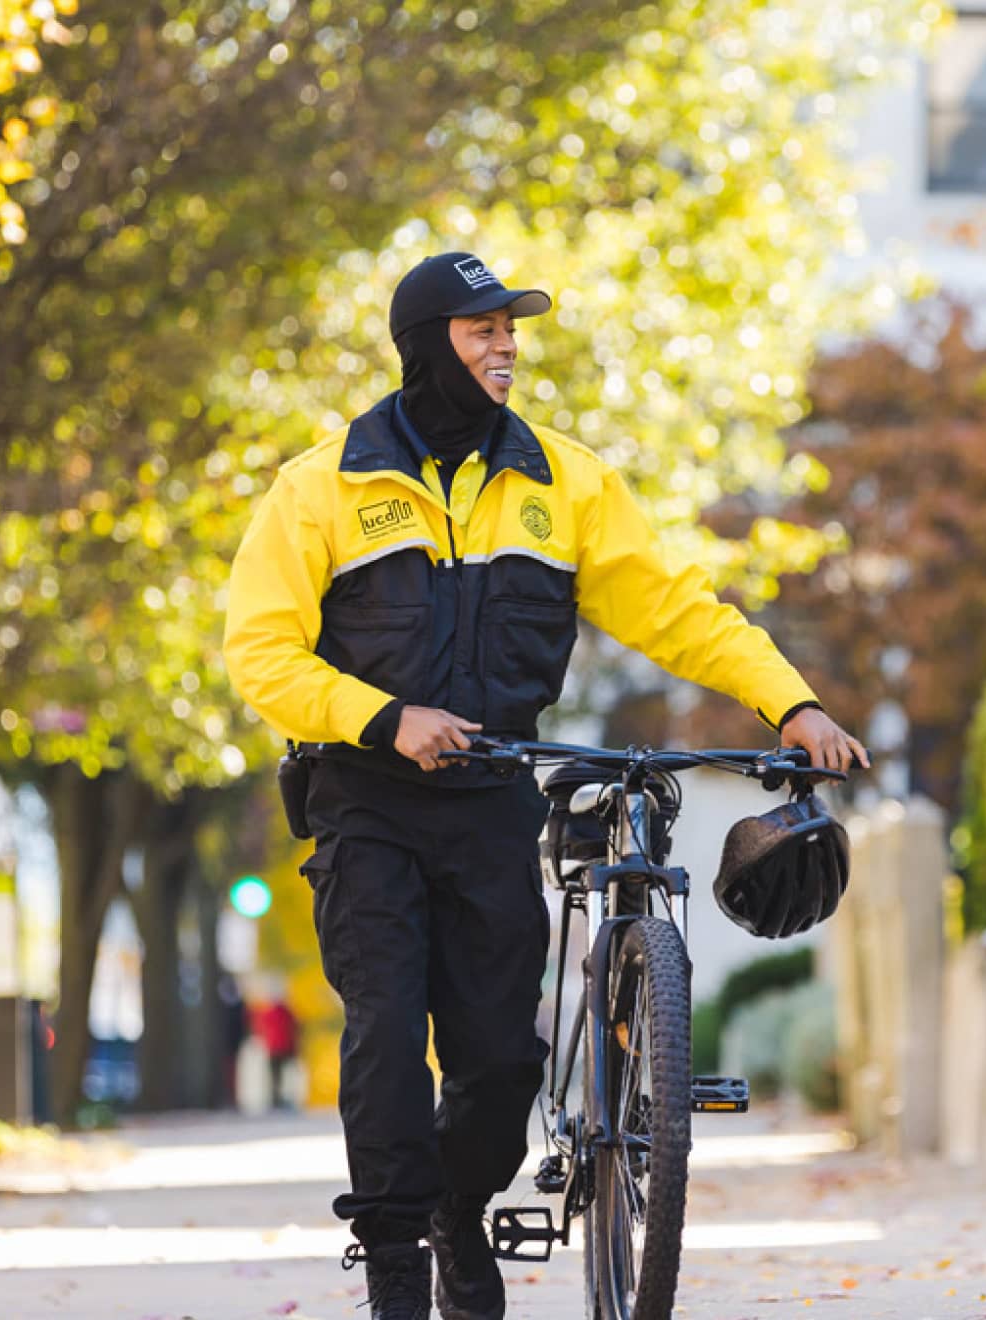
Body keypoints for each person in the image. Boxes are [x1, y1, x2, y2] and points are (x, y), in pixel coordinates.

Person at [223, 252, 867, 1320]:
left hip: (493, 799)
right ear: (427, 344)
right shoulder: (322, 486)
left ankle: (457, 1213)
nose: (507, 347)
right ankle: (396, 1280)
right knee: (385, 1033)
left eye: (511, 330)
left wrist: (788, 703)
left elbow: (677, 610)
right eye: (482, 331)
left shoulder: (564, 482)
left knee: (499, 1060)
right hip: (364, 798)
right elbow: (262, 654)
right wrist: (386, 718)